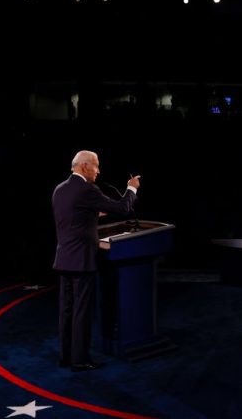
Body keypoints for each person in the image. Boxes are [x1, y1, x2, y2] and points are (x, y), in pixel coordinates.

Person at [52, 150, 140, 372]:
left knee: (66, 311)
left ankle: (66, 356)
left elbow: (72, 216)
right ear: (84, 166)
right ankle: (80, 360)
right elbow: (123, 208)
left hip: (64, 258)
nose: (99, 171)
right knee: (81, 312)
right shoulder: (87, 189)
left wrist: (91, 214)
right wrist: (132, 188)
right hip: (82, 261)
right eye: (96, 166)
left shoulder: (60, 189)